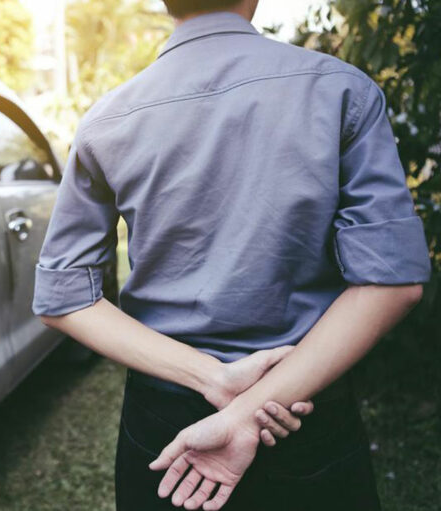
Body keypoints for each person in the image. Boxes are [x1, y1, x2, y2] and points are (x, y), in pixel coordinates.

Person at [31, 0, 432, 509]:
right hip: (302, 411)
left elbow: (63, 299)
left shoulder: (107, 121)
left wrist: (214, 381)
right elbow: (391, 283)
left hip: (167, 424)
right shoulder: (341, 90)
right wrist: (253, 408)